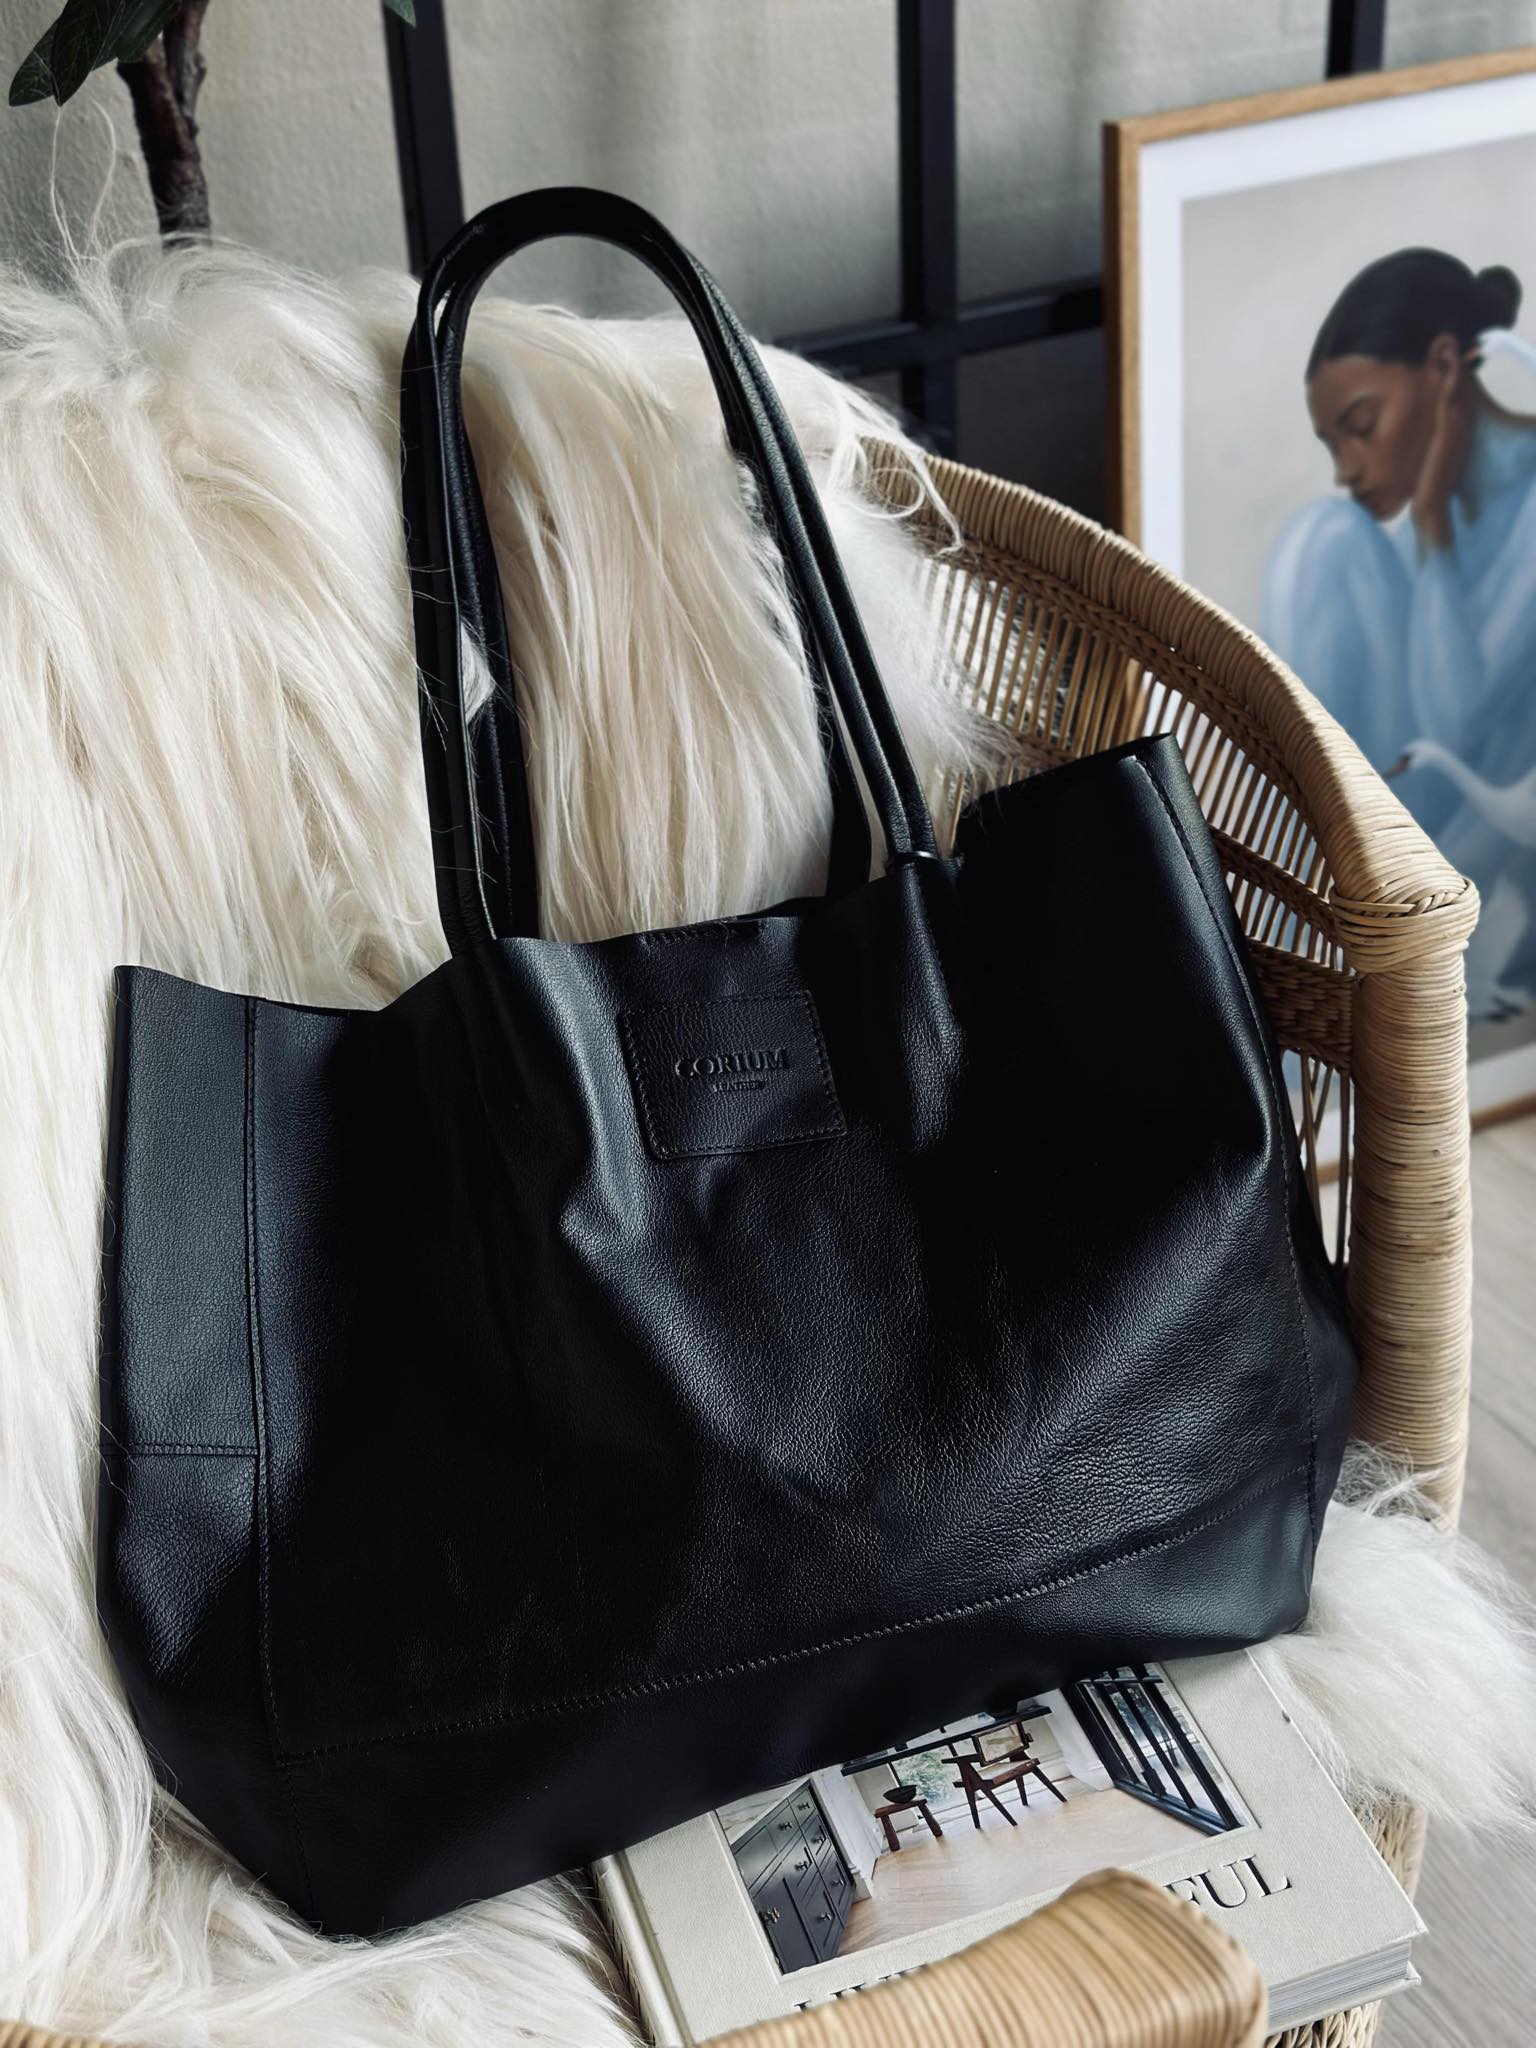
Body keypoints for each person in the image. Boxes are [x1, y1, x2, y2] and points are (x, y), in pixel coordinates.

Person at [1262, 248, 1536, 1017]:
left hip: (1467, 831)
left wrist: (1432, 520)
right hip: (1383, 819)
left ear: (1444, 367)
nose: (1347, 469)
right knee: (1322, 536)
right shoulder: (1402, 516)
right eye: (1332, 444)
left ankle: (1334, 937)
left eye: (1361, 427)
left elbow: (1456, 719)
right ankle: (1298, 912)